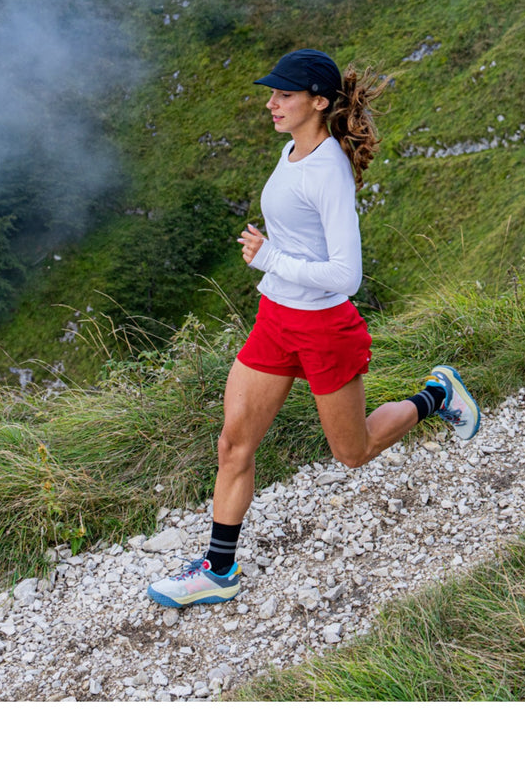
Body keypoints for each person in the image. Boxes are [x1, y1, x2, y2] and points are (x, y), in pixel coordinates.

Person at [147, 48, 479, 608]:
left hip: (324, 327)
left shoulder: (328, 174)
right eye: (272, 93)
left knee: (354, 452)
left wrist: (271, 258)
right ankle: (218, 570)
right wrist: (274, 263)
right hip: (276, 318)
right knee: (233, 445)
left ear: (318, 103)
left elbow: (346, 276)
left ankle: (437, 394)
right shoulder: (292, 150)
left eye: (284, 95)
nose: (271, 102)